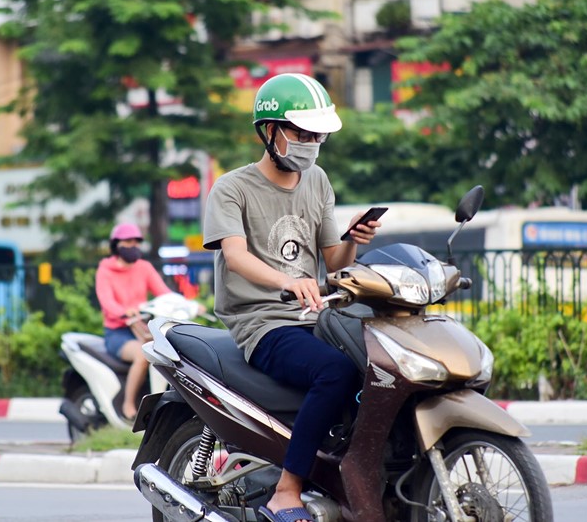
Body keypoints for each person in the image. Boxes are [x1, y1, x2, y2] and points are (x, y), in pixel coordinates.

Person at [203, 73, 380, 522]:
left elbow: (334, 263)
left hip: (316, 313)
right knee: (334, 372)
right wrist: (287, 282)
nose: (310, 143)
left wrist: (353, 238)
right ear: (269, 131)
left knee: (381, 363)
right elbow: (237, 258)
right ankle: (287, 490)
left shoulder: (316, 180)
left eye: (316, 135)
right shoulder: (232, 188)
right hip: (263, 322)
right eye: (301, 133)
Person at [96, 223, 172, 421]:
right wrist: (124, 311)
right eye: (128, 242)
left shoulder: (144, 268)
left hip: (143, 328)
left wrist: (185, 304)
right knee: (142, 354)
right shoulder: (105, 271)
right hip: (117, 333)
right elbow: (107, 303)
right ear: (116, 245)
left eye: (136, 242)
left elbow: (164, 293)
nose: (133, 246)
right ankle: (128, 405)